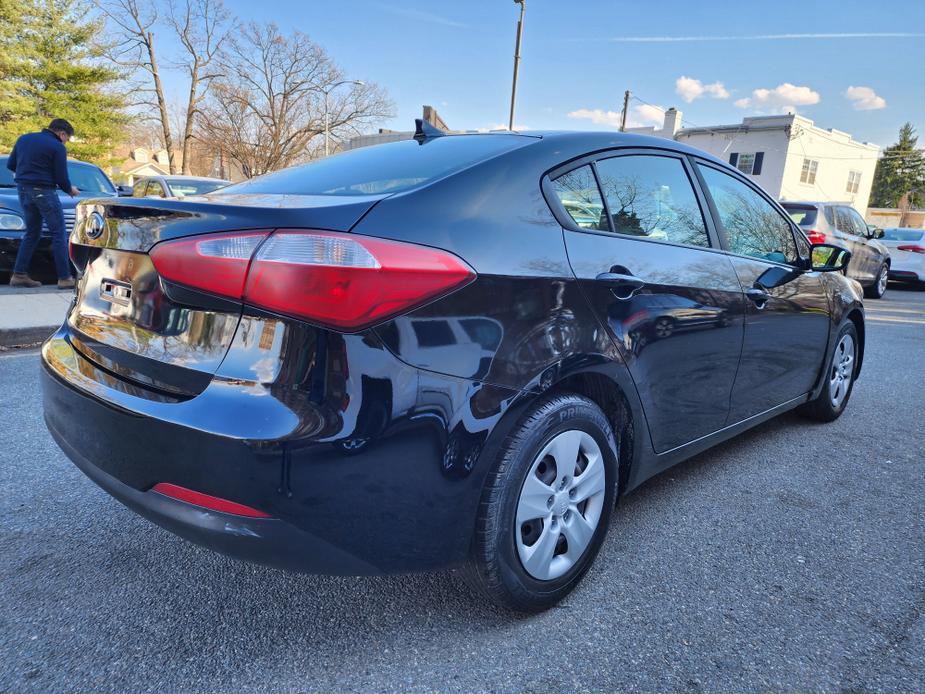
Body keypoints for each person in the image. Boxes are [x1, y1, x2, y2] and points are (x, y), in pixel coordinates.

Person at [6, 118, 79, 289]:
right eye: (67, 138)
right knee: (59, 233)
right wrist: (70, 190)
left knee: (32, 233)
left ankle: (19, 274)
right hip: (44, 192)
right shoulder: (57, 146)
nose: (66, 142)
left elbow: (11, 164)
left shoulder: (24, 139)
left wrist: (28, 173)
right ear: (62, 134)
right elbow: (61, 177)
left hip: (23, 190)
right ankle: (65, 278)